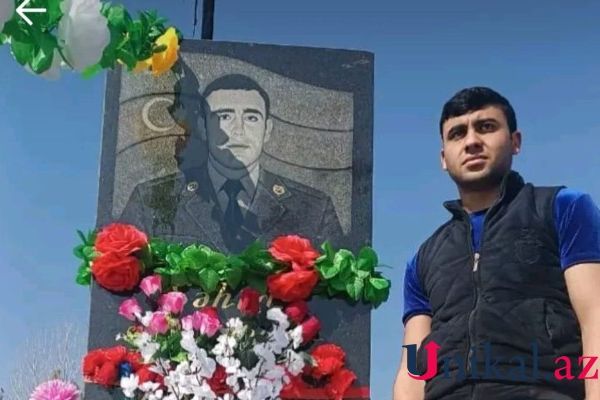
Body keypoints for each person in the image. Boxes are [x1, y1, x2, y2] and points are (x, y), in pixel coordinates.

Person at [393, 87, 600, 400]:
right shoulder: (423, 258)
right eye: (457, 133)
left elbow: (594, 317)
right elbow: (413, 364)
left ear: (515, 142)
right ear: (444, 159)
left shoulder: (563, 208)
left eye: (486, 126)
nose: (472, 141)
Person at [120, 74, 344, 253]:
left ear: (267, 129)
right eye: (223, 117)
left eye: (251, 117)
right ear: (203, 127)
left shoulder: (314, 209)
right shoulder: (151, 200)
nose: (238, 130)